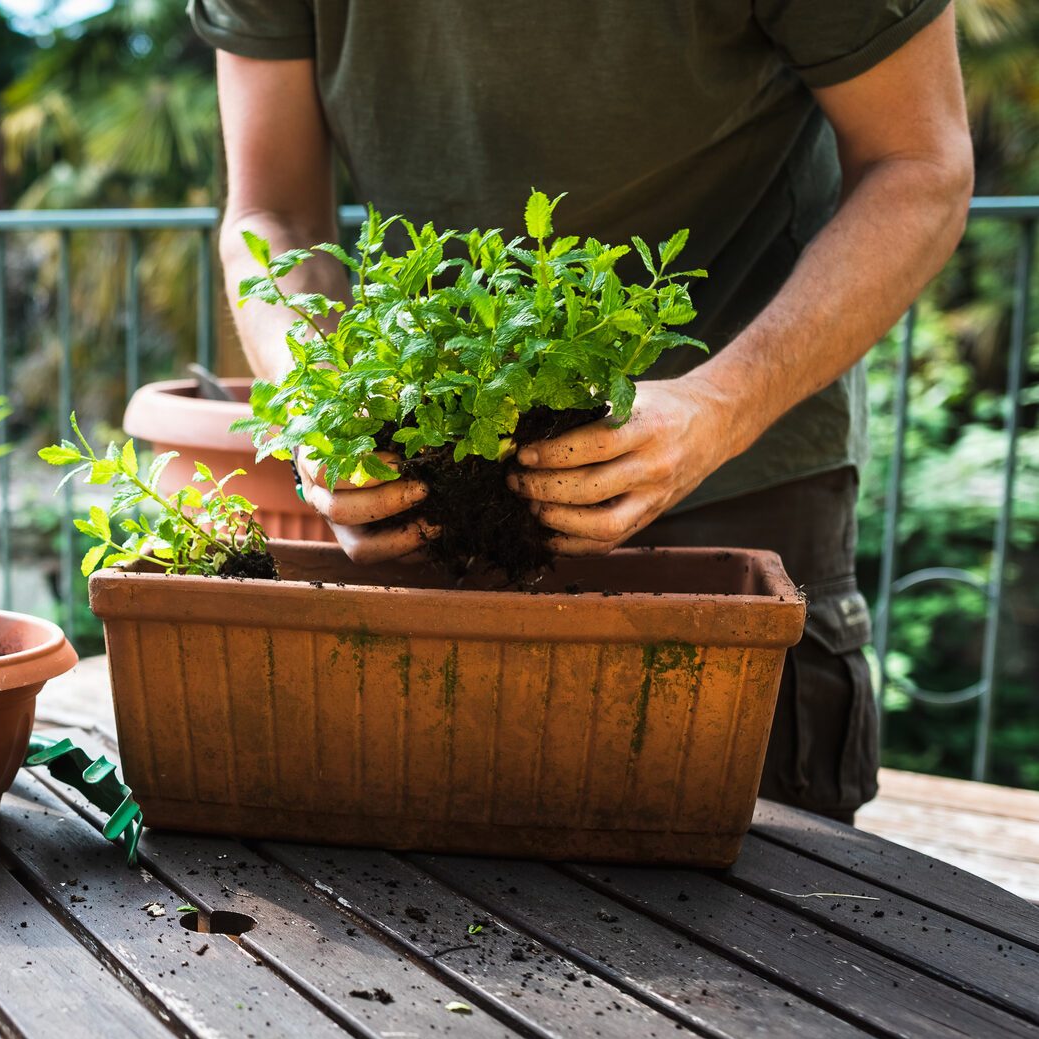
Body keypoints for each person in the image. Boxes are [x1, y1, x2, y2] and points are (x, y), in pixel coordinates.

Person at [198, 1, 974, 823]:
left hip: (735, 487)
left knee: (753, 899)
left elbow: (920, 163)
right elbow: (270, 213)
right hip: (433, 486)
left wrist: (719, 406)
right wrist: (325, 406)